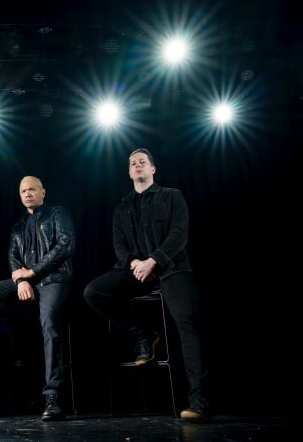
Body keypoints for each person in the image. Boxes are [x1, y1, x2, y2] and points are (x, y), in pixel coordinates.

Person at [83, 148, 212, 421]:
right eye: (133, 163)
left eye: (143, 161)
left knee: (187, 322)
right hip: (136, 271)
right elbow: (120, 245)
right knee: (93, 292)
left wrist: (154, 261)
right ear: (129, 172)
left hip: (171, 268)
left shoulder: (173, 196)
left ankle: (199, 400)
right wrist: (136, 264)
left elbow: (179, 234)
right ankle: (143, 334)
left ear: (153, 169)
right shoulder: (122, 206)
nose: (137, 165)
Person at [0, 176, 75, 422]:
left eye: (32, 189)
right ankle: (15, 349)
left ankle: (53, 396)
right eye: (23, 191)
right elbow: (12, 257)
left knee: (50, 324)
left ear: (43, 191)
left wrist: (32, 273)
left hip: (53, 280)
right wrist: (21, 281)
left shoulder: (58, 213)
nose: (28, 193)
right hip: (26, 283)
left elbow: (65, 246)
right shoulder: (18, 226)